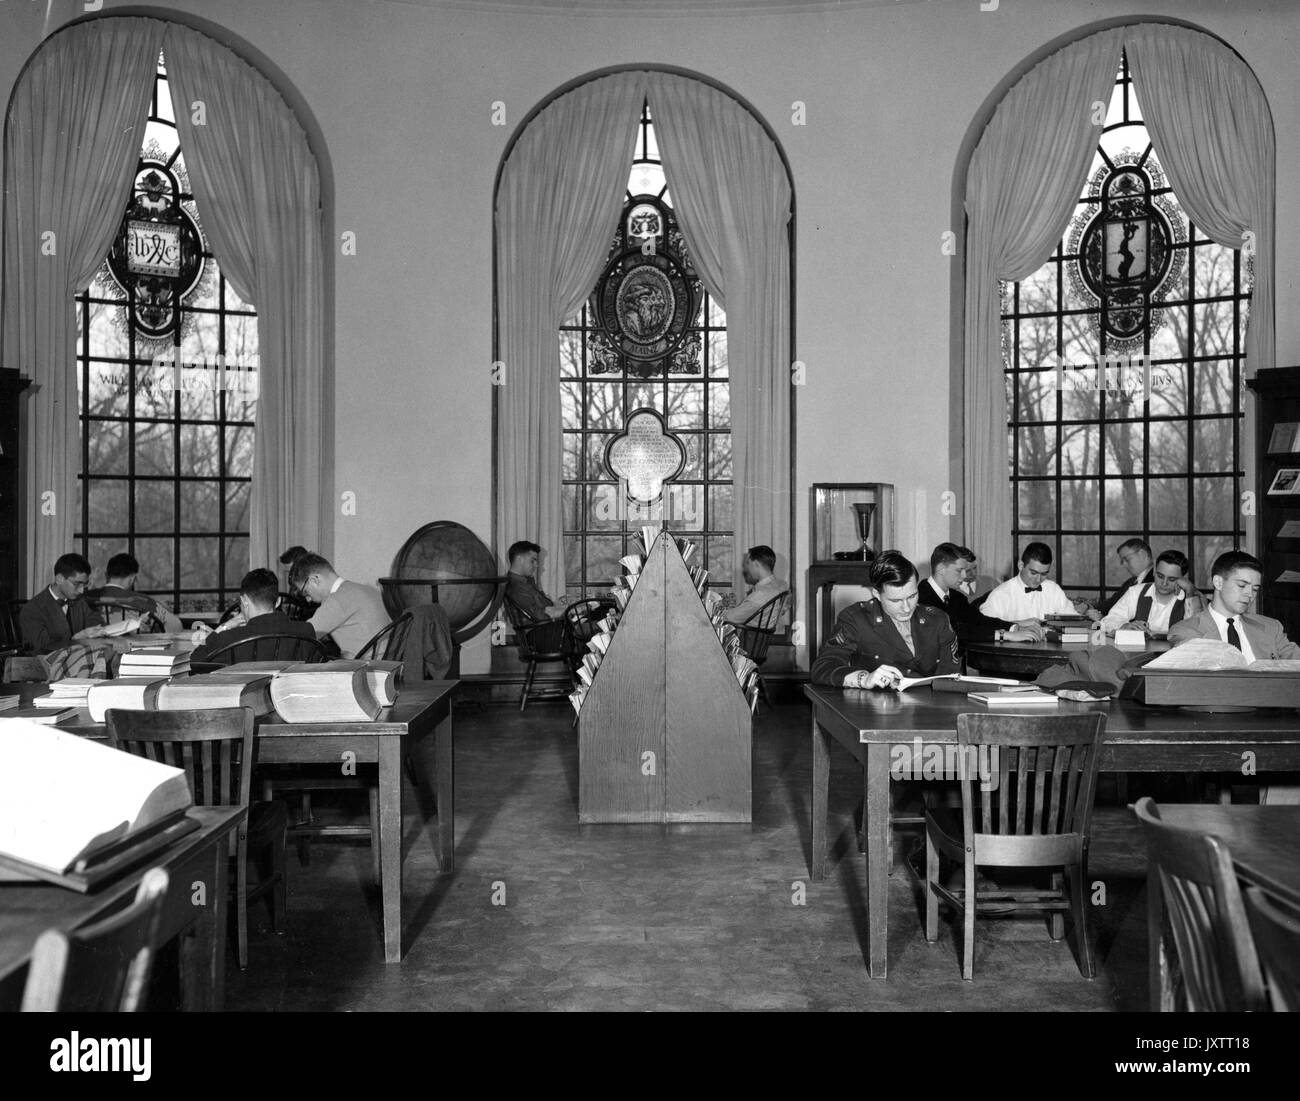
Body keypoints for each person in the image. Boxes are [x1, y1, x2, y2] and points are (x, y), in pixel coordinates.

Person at [810, 549, 959, 688]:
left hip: (931, 709)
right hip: (877, 710)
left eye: (912, 596)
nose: (907, 608)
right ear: (876, 594)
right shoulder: (856, 619)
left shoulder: (938, 619)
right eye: (895, 601)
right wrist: (864, 678)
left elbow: (951, 677)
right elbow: (822, 667)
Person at [1169, 550, 1300, 659]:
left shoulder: (1271, 628)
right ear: (1218, 582)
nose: (1250, 594)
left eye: (1255, 589)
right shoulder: (1186, 631)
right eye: (1242, 586)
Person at [916, 542, 1043, 646]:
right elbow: (956, 630)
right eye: (959, 571)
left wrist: (1014, 627)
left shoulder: (956, 597)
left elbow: (979, 620)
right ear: (941, 569)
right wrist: (1006, 635)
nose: (964, 576)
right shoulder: (921, 597)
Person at [190, 568, 316, 665]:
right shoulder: (306, 631)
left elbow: (195, 661)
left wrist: (224, 627)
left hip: (241, 698)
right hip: (290, 697)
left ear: (244, 601)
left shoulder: (229, 639)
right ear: (278, 601)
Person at [288, 552, 390, 660]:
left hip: (365, 668)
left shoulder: (337, 600)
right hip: (388, 662)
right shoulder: (366, 590)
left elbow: (302, 637)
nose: (308, 599)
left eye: (305, 592)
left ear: (315, 580)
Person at [979, 542, 1100, 624]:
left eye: (1044, 574)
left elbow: (1071, 620)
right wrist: (1019, 625)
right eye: (1033, 573)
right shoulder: (1000, 595)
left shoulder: (1053, 590)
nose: (1038, 580)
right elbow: (984, 627)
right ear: (1021, 566)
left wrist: (1086, 618)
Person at [1099, 549, 1204, 636]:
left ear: (1182, 579)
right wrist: (1123, 626)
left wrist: (1190, 591)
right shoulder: (1136, 592)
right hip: (1139, 656)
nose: (1164, 583)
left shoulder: (1189, 599)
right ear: (1154, 571)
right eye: (1160, 576)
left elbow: (1196, 632)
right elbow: (1109, 620)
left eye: (1172, 579)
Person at [19, 553, 106, 653]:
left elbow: (95, 621)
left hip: (79, 658)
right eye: (77, 584)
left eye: (84, 585)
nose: (81, 591)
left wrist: (94, 631)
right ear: (59, 579)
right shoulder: (32, 610)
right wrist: (76, 639)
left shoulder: (79, 601)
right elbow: (43, 648)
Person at [87, 553, 183, 633]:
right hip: (135, 651)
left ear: (106, 575)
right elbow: (176, 625)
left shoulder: (85, 598)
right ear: (132, 578)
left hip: (92, 650)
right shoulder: (144, 601)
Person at [721, 545, 788, 626]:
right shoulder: (782, 586)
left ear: (756, 564)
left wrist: (714, 610)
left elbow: (731, 617)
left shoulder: (761, 593)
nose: (746, 568)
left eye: (748, 563)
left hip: (749, 636)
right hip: (766, 635)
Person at [505, 541, 568, 623]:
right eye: (532, 561)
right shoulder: (515, 587)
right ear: (519, 560)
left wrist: (559, 607)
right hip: (545, 632)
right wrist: (567, 610)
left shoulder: (525, 582)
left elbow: (544, 607)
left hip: (550, 628)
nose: (536, 565)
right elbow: (539, 616)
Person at [1098, 538, 1154, 616]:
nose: (1124, 564)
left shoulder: (1158, 581)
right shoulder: (1130, 582)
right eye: (1122, 561)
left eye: (1127, 559)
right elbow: (1111, 604)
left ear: (1143, 554)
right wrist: (1088, 606)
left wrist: (1104, 619)